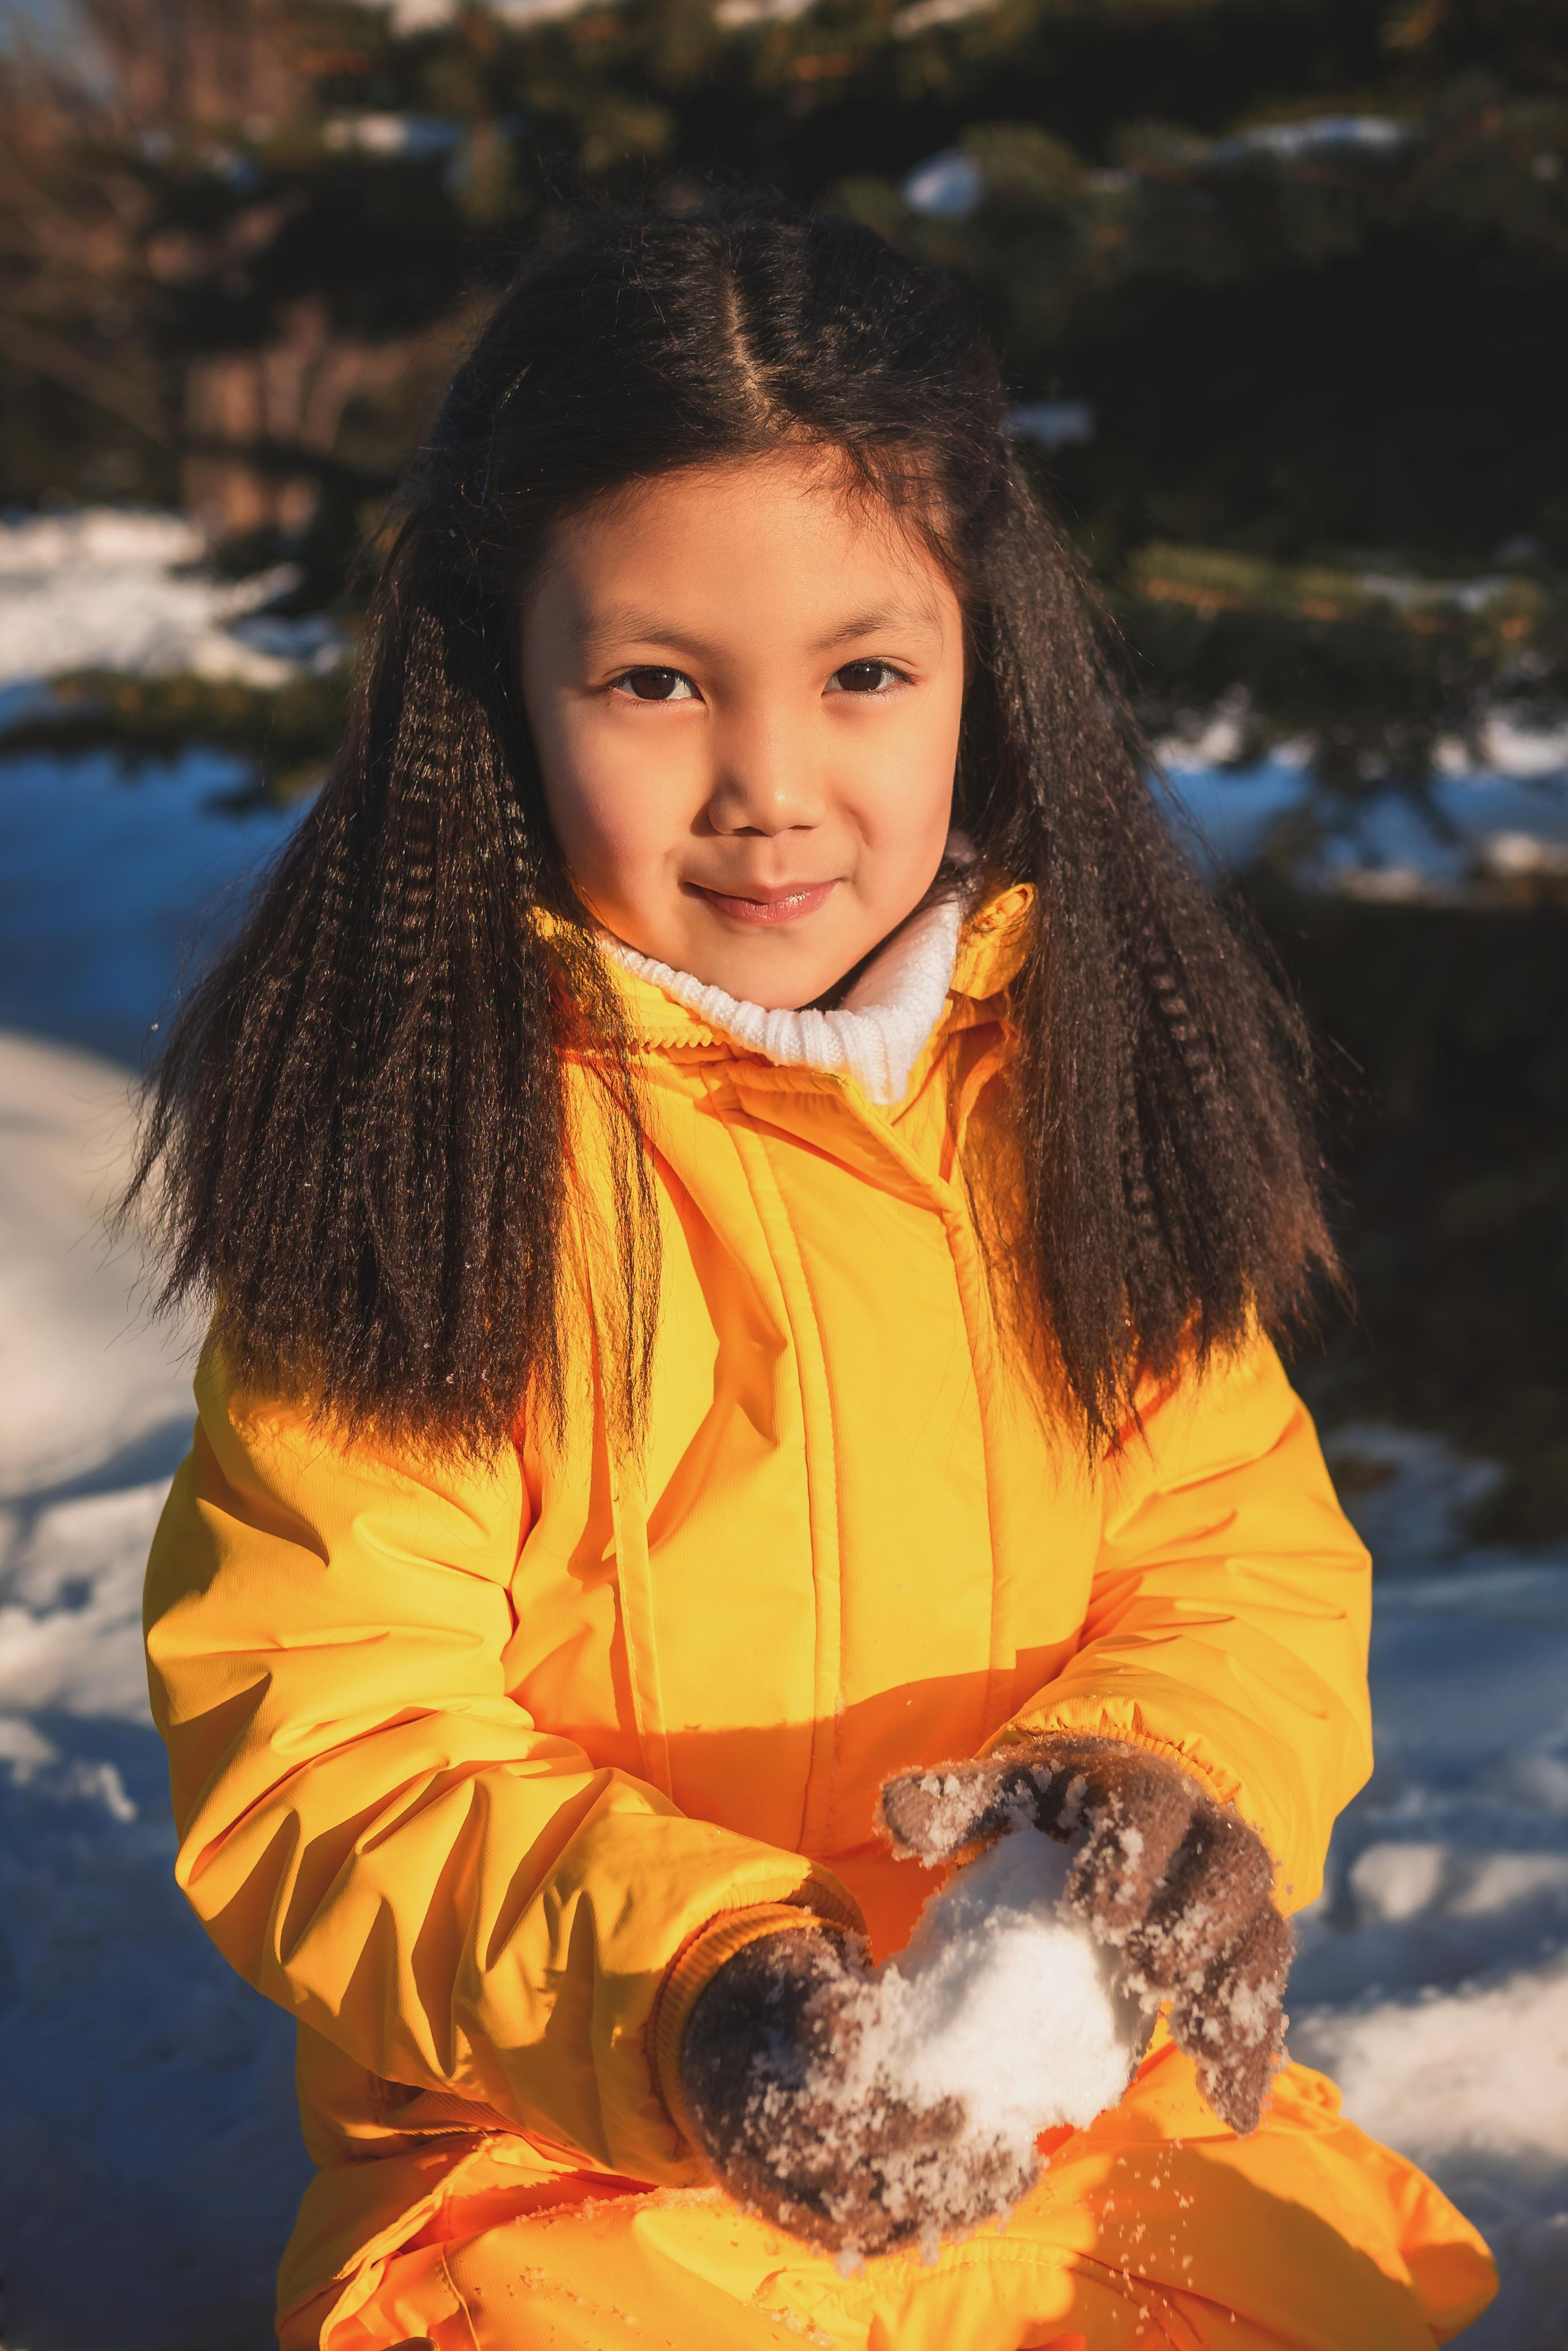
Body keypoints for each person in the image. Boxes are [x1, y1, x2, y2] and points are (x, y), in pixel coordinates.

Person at [140, 191, 1496, 2350]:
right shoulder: (432, 1159)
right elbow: (330, 1744)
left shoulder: (1075, 1095)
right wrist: (697, 1993)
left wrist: (1155, 1795)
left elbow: (1231, 1563)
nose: (770, 790)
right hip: (577, 2164)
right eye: (657, 683)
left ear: (982, 658)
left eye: (864, 675)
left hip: (1078, 2127)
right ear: (503, 692)